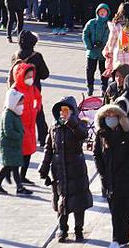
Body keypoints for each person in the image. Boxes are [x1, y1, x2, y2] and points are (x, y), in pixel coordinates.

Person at [39, 97, 93, 243]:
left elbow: (83, 135)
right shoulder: (54, 127)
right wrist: (44, 168)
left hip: (76, 170)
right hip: (59, 171)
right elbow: (48, 148)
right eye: (61, 110)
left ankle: (78, 229)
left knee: (78, 202)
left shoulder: (78, 125)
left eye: (66, 110)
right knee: (61, 201)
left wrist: (72, 121)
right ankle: (62, 228)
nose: (63, 113)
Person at [94, 102, 129, 248]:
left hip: (124, 179)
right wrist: (102, 173)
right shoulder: (101, 136)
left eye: (113, 115)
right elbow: (97, 155)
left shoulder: (128, 135)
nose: (110, 118)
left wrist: (124, 173)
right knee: (114, 209)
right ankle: (125, 235)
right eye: (107, 116)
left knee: (119, 208)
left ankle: (117, 239)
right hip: (108, 179)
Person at [10, 30, 51, 148]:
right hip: (33, 91)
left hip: (17, 91)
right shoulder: (37, 56)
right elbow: (45, 74)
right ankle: (43, 139)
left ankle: (19, 138)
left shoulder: (15, 56)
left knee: (18, 114)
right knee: (38, 114)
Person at [0, 88, 31, 196]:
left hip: (14, 146)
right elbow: (8, 131)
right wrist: (19, 135)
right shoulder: (8, 114)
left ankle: (19, 187)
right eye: (20, 103)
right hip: (9, 146)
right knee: (8, 166)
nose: (22, 106)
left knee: (14, 166)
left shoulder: (14, 113)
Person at [11, 62, 43, 184]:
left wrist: (36, 109)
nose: (30, 79)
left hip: (30, 125)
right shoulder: (15, 90)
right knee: (18, 153)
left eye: (31, 76)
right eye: (28, 76)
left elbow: (38, 97)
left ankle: (22, 176)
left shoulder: (31, 88)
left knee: (28, 152)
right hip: (19, 125)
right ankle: (16, 177)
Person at [83, 3, 111, 96]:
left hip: (104, 52)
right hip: (92, 51)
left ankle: (104, 87)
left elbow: (112, 37)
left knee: (104, 71)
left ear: (107, 13)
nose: (102, 13)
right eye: (101, 11)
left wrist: (106, 46)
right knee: (90, 70)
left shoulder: (109, 25)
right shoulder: (91, 22)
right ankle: (90, 86)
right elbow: (85, 34)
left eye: (104, 12)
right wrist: (89, 45)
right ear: (97, 12)